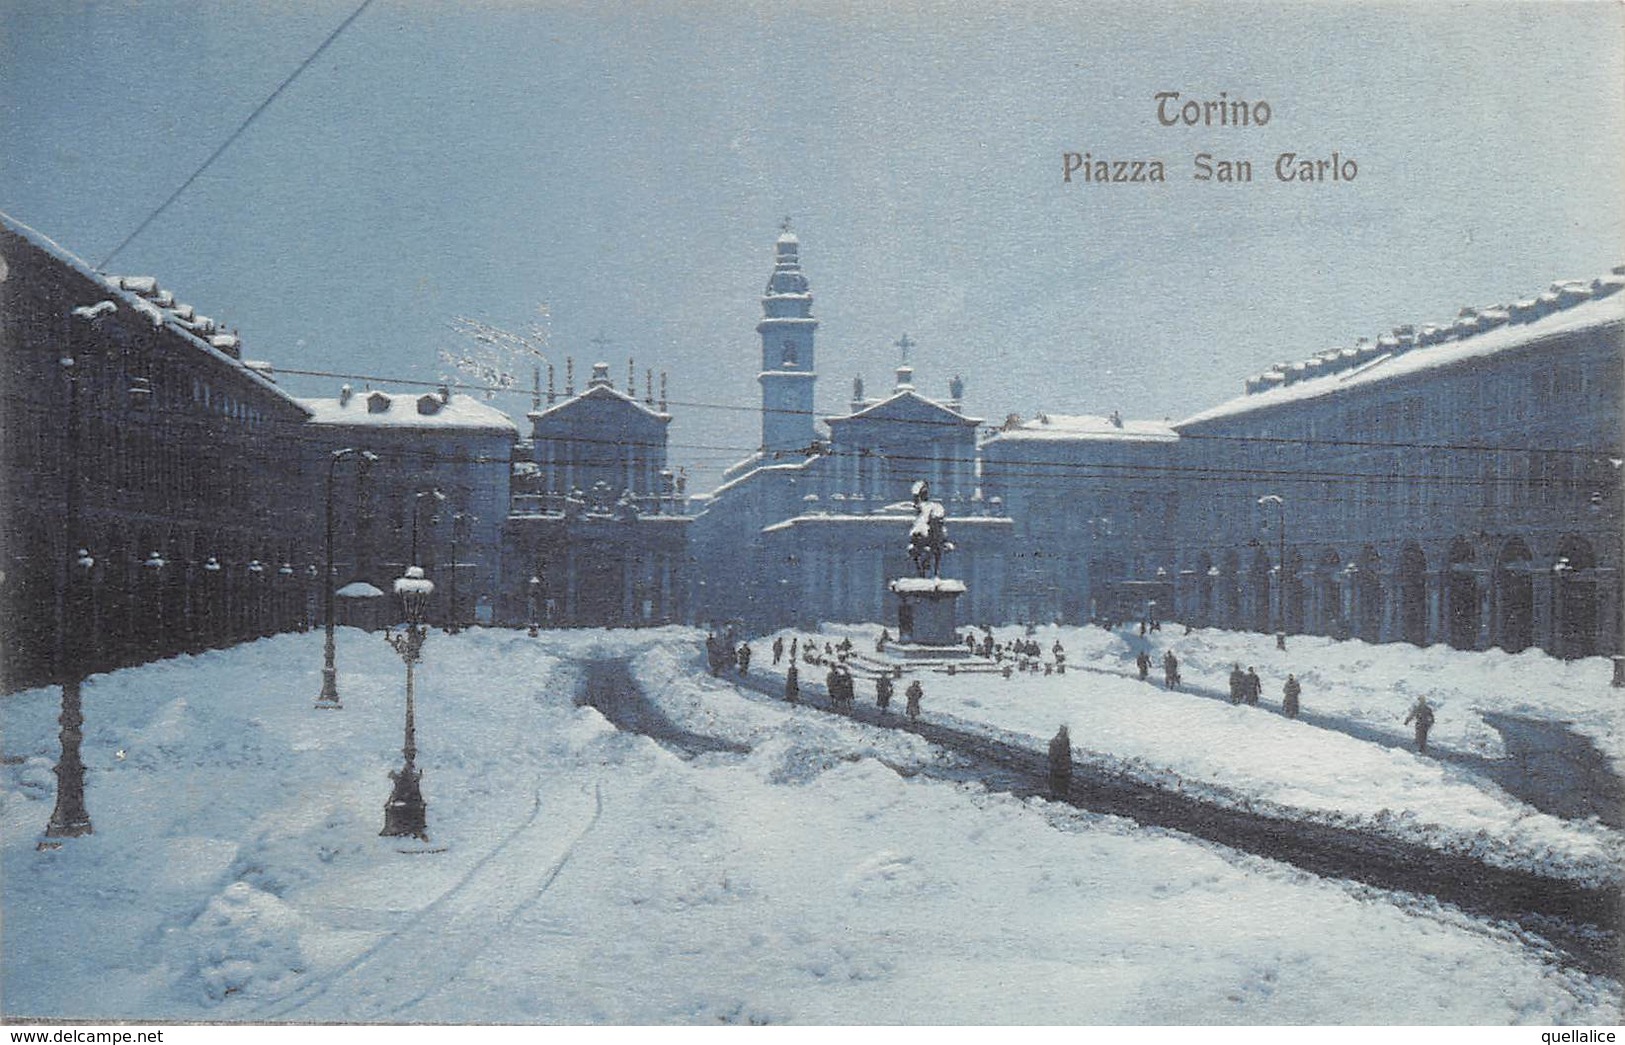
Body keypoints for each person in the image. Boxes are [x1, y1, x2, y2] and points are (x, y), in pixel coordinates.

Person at [1048, 725, 1073, 798]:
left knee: (1057, 781)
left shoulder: (1055, 740)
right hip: (1062, 766)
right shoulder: (1062, 740)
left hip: (1059, 766)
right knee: (1061, 782)